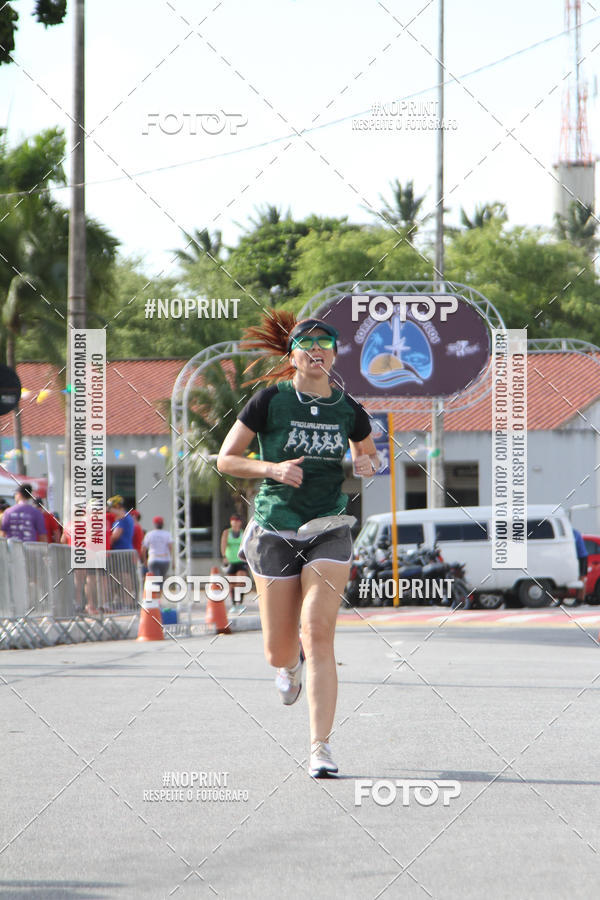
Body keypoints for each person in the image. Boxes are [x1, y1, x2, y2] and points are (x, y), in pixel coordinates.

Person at [217, 312, 378, 778]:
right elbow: (227, 458)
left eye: (325, 344)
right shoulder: (270, 401)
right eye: (306, 345)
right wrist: (273, 469)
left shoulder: (348, 408)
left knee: (318, 631)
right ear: (293, 357)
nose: (316, 350)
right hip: (275, 525)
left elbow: (368, 456)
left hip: (328, 525)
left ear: (334, 354)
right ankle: (288, 667)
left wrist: (368, 464)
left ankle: (320, 748)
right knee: (279, 650)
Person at [220, 513, 249, 605]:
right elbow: (223, 544)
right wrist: (224, 556)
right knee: (232, 582)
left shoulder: (243, 532)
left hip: (241, 560)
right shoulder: (227, 532)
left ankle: (240, 601)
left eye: (237, 521)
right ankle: (234, 602)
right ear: (231, 522)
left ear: (240, 522)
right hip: (230, 560)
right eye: (233, 520)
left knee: (241, 579)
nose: (235, 523)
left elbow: (247, 545)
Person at [141, 516, 173, 582]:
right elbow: (170, 547)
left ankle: (157, 591)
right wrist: (173, 560)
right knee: (162, 578)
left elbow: (143, 549)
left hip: (153, 559)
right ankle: (160, 592)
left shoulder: (149, 534)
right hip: (165, 559)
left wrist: (144, 560)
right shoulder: (167, 534)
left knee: (155, 579)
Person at [573, 528, 588, 603]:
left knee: (581, 577)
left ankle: (581, 598)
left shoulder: (574, 533)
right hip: (580, 557)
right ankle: (579, 598)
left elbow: (573, 542)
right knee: (579, 578)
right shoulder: (574, 532)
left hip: (582, 557)